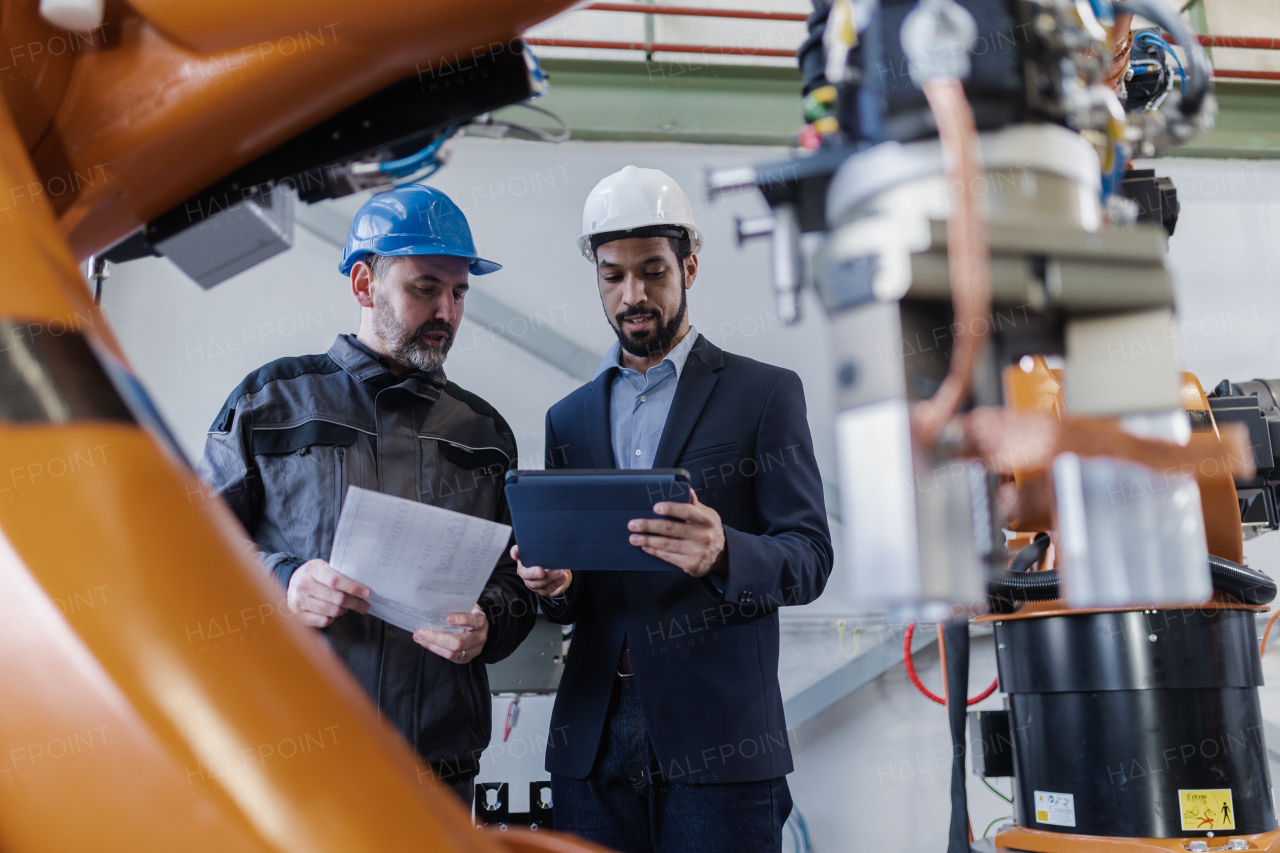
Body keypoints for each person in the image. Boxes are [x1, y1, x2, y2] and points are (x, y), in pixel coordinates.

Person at [515, 166, 833, 853]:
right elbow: (575, 592)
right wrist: (557, 586)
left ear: (689, 264)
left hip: (720, 740)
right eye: (613, 275)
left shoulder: (764, 395)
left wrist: (726, 552)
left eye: (653, 270)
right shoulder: (567, 418)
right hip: (592, 742)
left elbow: (809, 557)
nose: (633, 294)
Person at [198, 184, 537, 805]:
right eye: (424, 288)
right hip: (299, 764)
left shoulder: (484, 435)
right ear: (363, 284)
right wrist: (282, 582)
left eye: (459, 292)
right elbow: (189, 555)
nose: (447, 312)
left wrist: (489, 625)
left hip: (440, 771)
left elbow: (519, 584)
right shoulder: (270, 403)